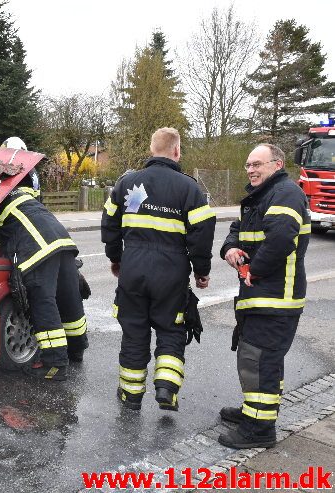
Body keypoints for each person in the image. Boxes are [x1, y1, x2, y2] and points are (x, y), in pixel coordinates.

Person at [101, 127, 215, 411]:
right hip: (171, 273)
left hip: (133, 269)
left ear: (152, 150)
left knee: (134, 331)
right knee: (171, 330)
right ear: (176, 151)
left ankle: (130, 395)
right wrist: (201, 270)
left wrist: (116, 259)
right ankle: (166, 390)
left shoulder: (127, 184)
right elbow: (203, 233)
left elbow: (109, 224)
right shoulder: (189, 188)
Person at [217, 144, 310, 449]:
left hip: (275, 299)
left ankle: (259, 429)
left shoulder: (285, 193)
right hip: (263, 298)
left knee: (259, 362)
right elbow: (237, 229)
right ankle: (254, 413)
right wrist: (230, 247)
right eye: (247, 165)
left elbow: (282, 238)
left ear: (278, 164)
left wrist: (252, 272)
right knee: (256, 360)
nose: (251, 170)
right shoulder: (263, 196)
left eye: (257, 164)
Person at [0, 137, 88, 381]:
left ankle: (54, 365)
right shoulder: (26, 190)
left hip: (37, 249)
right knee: (69, 298)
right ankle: (76, 350)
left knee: (43, 301)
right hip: (62, 240)